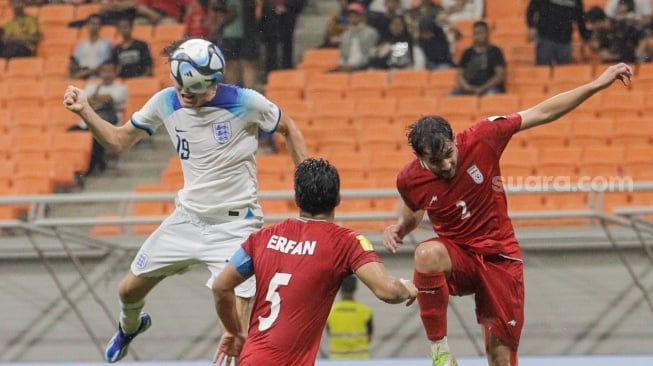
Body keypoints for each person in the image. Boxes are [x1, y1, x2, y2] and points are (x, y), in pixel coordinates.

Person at [62, 38, 307, 363]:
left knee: (236, 335)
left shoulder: (244, 101)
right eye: (180, 87)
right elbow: (118, 142)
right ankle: (130, 327)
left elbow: (288, 127)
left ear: (213, 84)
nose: (185, 95)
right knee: (127, 291)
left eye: (193, 90)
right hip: (187, 219)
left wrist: (305, 186)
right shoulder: (166, 101)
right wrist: (86, 111)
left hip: (235, 226)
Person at [382, 62, 632, 366]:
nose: (446, 165)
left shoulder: (483, 137)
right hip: (459, 257)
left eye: (449, 154)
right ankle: (440, 353)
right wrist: (401, 228)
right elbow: (413, 207)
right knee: (427, 253)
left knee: (500, 357)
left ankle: (418, 289)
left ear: (454, 140)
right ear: (420, 159)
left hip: (500, 257)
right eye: (436, 162)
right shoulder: (408, 178)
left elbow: (541, 112)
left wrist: (597, 84)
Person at [212, 158, 418, 366]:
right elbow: (388, 291)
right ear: (338, 198)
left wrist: (234, 331)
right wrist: (407, 288)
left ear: (296, 198)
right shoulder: (345, 242)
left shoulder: (262, 238)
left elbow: (220, 286)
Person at [526, 0, 591, 66]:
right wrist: (532, 26)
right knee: (542, 71)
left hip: (565, 41)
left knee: (564, 72)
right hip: (545, 38)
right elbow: (531, 8)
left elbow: (580, 20)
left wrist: (586, 37)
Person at [450, 20, 506, 96]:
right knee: (450, 96)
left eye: (481, 33)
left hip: (489, 88)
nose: (478, 36)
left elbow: (499, 76)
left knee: (491, 96)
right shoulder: (467, 53)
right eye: (476, 33)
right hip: (469, 88)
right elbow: (459, 75)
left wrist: (483, 88)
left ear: (487, 33)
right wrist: (466, 87)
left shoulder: (495, 51)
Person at [326, 275, 374, 359]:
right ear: (355, 289)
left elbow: (329, 332)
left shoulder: (330, 311)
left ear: (340, 289)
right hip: (360, 359)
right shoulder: (365, 311)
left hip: (337, 359)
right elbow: (369, 337)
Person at [332, 2, 380, 72]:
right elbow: (342, 55)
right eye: (350, 16)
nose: (353, 19)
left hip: (362, 69)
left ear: (362, 17)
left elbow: (370, 54)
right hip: (345, 67)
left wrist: (352, 66)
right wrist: (343, 65)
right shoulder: (346, 34)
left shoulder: (371, 33)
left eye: (356, 16)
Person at [69, 13, 113, 80]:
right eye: (92, 23)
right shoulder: (82, 45)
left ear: (101, 26)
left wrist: (85, 73)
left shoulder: (106, 44)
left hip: (97, 77)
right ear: (87, 25)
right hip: (81, 76)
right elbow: (74, 61)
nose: (94, 26)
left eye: (97, 24)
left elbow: (104, 65)